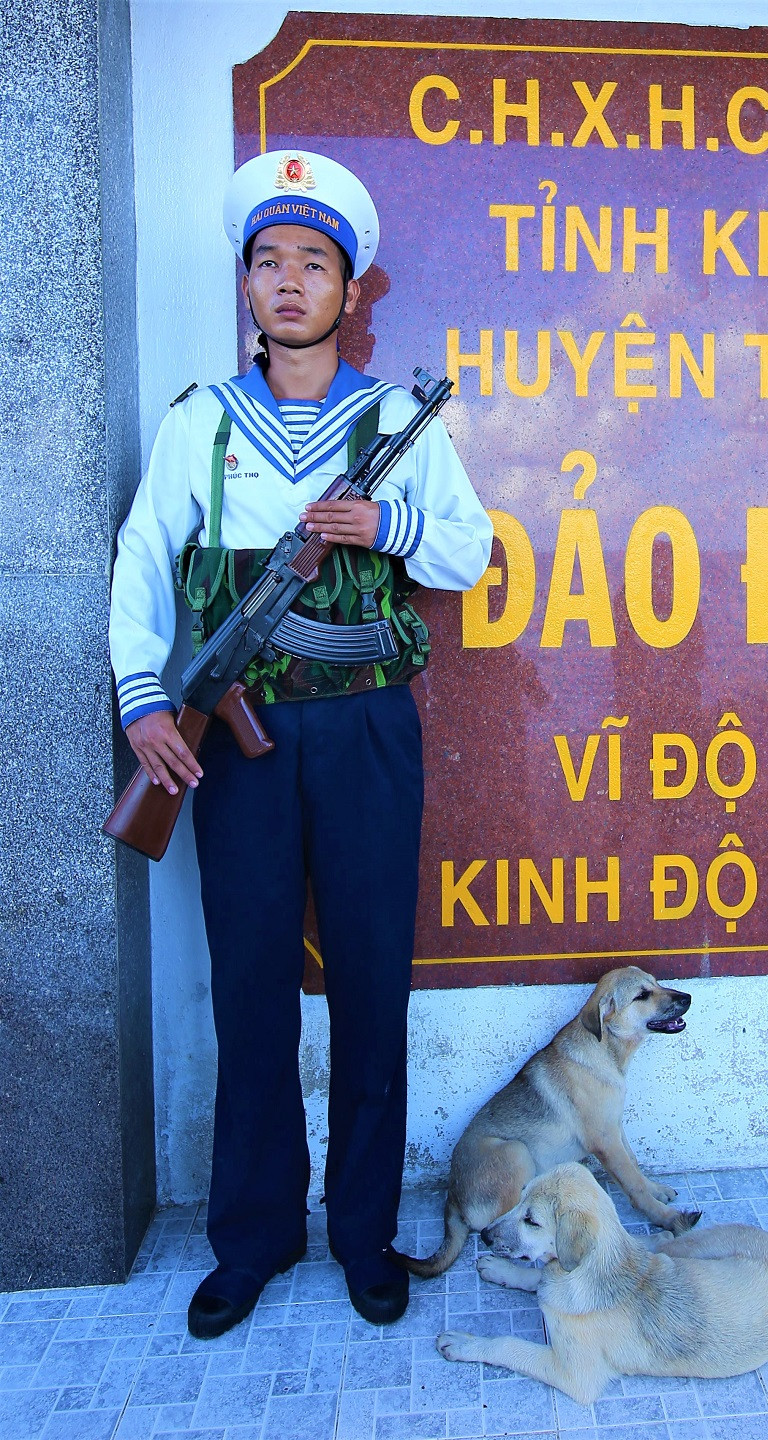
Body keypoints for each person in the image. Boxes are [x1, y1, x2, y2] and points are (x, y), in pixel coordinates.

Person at [108, 150, 492, 1338]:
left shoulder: (396, 423)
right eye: (269, 261)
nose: (289, 281)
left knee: (373, 980)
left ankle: (364, 1234)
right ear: (246, 285)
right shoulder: (200, 423)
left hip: (368, 728)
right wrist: (144, 699)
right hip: (239, 743)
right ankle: (255, 1234)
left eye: (314, 264)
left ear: (349, 289)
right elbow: (142, 564)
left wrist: (386, 520)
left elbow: (469, 551)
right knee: (253, 988)